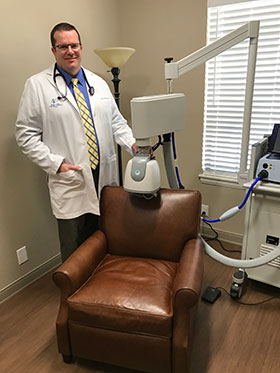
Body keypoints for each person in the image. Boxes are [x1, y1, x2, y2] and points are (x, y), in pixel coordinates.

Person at [15, 22, 137, 262]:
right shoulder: (37, 86)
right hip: (70, 175)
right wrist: (56, 164)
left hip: (103, 174)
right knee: (73, 247)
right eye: (63, 46)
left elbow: (117, 123)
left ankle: (99, 289)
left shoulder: (98, 83)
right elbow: (25, 134)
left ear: (81, 47)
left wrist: (133, 146)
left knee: (103, 237)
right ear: (53, 51)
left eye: (74, 45)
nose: (70, 51)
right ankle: (72, 295)